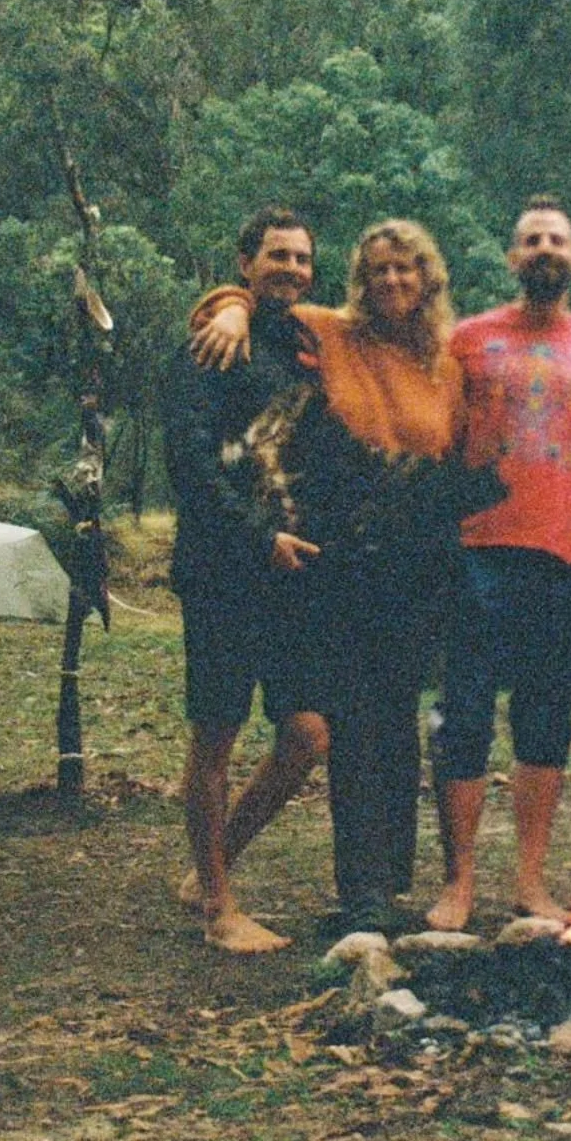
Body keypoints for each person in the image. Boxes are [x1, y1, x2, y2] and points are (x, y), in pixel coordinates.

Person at [188, 218, 473, 932]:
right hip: (338, 563)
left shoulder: (448, 362)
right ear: (360, 280)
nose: (391, 281)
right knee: (348, 722)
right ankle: (361, 891)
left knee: (397, 726)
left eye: (406, 269)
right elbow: (260, 302)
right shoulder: (332, 332)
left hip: (414, 562)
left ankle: (390, 882)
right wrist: (227, 301)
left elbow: (459, 454)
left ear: (428, 278)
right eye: (377, 270)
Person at [426, 195, 571, 931]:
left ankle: (529, 881)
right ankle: (460, 882)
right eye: (530, 239)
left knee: (544, 721)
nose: (543, 249)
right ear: (512, 258)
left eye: (556, 240)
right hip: (475, 550)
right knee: (465, 716)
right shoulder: (467, 340)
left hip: (563, 554)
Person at [163, 206, 329, 954]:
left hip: (293, 574)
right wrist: (258, 541)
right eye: (276, 256)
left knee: (306, 734)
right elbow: (192, 469)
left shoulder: (306, 346)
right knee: (217, 734)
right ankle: (219, 910)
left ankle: (212, 864)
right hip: (224, 569)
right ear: (243, 262)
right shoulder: (208, 347)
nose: (291, 269)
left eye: (301, 259)